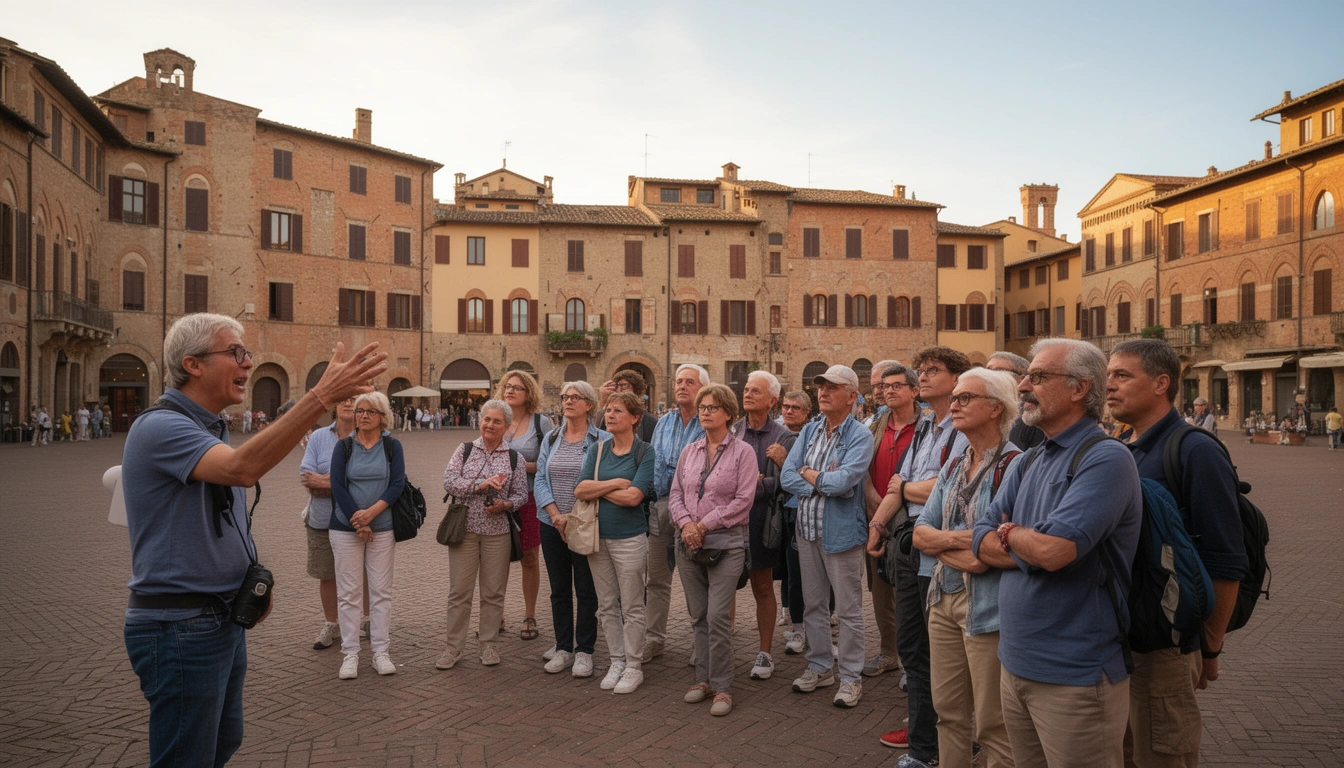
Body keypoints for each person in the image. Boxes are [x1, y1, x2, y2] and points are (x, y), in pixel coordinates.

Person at [122, 313, 385, 766]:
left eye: (247, 353)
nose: (247, 363)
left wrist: (248, 582)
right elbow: (241, 469)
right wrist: (320, 396)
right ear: (193, 364)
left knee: (222, 743)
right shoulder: (160, 427)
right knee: (187, 758)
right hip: (180, 627)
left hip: (219, 617)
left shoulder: (210, 427)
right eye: (236, 353)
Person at [971, 338, 1142, 768]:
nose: (1024, 385)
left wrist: (1008, 532)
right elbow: (979, 538)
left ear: (1079, 388)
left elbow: (1056, 551)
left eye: (1038, 376)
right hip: (1015, 664)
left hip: (1076, 676)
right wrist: (1023, 540)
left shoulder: (1106, 459)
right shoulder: (1028, 460)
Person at [1106, 339, 1248, 767]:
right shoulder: (1122, 445)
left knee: (1164, 754)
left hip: (1168, 645)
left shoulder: (1195, 450)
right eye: (1108, 375)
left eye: (1122, 375)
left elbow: (1226, 560)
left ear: (1161, 383)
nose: (1108, 385)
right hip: (1124, 638)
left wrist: (1209, 646)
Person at [876, 368, 1021, 768]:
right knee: (948, 712)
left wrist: (952, 543)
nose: (953, 405)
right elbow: (921, 533)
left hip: (987, 609)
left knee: (993, 722)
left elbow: (996, 550)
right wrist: (970, 540)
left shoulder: (1015, 466)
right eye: (954, 397)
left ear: (996, 408)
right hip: (942, 599)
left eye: (965, 398)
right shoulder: (957, 464)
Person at [874, 346, 972, 762]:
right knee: (913, 646)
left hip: (936, 541)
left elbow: (940, 488)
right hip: (909, 539)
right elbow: (905, 486)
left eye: (933, 371)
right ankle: (925, 742)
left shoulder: (963, 428)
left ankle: (939, 744)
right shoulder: (930, 427)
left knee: (941, 650)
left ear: (957, 380)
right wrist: (878, 526)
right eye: (923, 370)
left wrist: (906, 490)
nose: (925, 376)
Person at [781, 365, 874, 709]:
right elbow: (786, 478)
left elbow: (843, 483)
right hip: (806, 531)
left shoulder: (860, 436)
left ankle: (850, 677)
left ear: (851, 396)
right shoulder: (809, 431)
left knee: (848, 610)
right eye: (821, 386)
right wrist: (817, 478)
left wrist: (807, 474)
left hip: (841, 535)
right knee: (813, 605)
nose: (822, 392)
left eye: (832, 387)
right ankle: (820, 666)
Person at [671, 383, 757, 716]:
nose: (706, 412)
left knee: (718, 615)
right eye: (702, 407)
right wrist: (686, 525)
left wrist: (703, 525)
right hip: (688, 544)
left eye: (713, 407)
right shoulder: (689, 451)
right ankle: (702, 680)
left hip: (726, 545)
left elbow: (743, 501)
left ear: (729, 414)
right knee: (698, 616)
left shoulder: (743, 453)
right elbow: (675, 492)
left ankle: (722, 687)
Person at [437, 399, 530, 670]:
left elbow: (521, 495)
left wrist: (505, 504)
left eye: (496, 421)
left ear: (506, 426)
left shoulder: (514, 458)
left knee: (493, 592)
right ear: (480, 420)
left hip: (497, 532)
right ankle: (453, 648)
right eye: (486, 419)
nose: (490, 425)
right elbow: (449, 481)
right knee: (459, 592)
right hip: (464, 531)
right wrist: (480, 486)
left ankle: (489, 645)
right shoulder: (464, 450)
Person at [576, 391, 656, 694]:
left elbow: (634, 497)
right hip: (597, 537)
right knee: (607, 604)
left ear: (634, 417)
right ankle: (616, 660)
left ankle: (634, 665)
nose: (609, 415)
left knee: (633, 605)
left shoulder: (644, 452)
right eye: (608, 410)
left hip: (630, 538)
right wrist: (615, 483)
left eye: (617, 410)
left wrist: (600, 489)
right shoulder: (597, 450)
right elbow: (580, 489)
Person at [328, 392, 407, 680]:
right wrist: (357, 521)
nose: (363, 415)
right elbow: (338, 486)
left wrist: (371, 514)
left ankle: (380, 652)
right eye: (360, 410)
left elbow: (397, 483)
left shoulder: (392, 446)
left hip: (383, 527)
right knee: (349, 594)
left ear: (382, 416)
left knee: (380, 593)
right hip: (345, 528)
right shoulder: (344, 447)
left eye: (370, 411)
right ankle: (350, 654)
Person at [534, 381, 610, 677]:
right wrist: (554, 514)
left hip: (585, 523)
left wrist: (572, 516)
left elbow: (602, 479)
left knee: (587, 590)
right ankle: (564, 647)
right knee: (559, 590)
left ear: (589, 404)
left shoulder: (602, 439)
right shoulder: (552, 438)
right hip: (552, 524)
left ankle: (585, 650)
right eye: (565, 397)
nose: (568, 402)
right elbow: (540, 477)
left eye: (575, 398)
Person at [645, 364, 709, 663]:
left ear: (702, 388)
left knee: (697, 580)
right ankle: (654, 638)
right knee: (656, 579)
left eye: (689, 382)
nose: (682, 386)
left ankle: (701, 645)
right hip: (661, 507)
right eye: (679, 381)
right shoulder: (663, 422)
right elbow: (654, 462)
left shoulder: (709, 421)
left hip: (695, 513)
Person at [861, 363, 921, 682]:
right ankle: (888, 652)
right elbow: (861, 467)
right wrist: (874, 502)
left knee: (911, 592)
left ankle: (913, 662)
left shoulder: (928, 428)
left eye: (897, 385)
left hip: (911, 521)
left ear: (914, 391)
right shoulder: (874, 425)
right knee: (881, 589)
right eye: (885, 386)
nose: (889, 391)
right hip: (876, 517)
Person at [731, 370, 791, 681]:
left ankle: (765, 653)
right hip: (730, 522)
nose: (748, 393)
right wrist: (747, 483)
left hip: (761, 522)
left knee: (763, 587)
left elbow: (788, 483)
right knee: (724, 586)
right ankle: (723, 648)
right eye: (746, 389)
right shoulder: (732, 431)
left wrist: (759, 485)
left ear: (772, 400)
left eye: (756, 390)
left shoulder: (783, 437)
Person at [300, 395, 366, 651]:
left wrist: (327, 482)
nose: (348, 403)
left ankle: (368, 621)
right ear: (334, 407)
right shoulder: (318, 438)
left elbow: (368, 481)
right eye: (343, 399)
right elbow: (307, 479)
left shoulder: (369, 436)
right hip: (322, 519)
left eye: (354, 399)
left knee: (364, 572)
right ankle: (332, 624)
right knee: (327, 574)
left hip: (360, 519)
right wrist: (344, 484)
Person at [497, 371, 555, 642]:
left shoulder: (541, 423)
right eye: (507, 386)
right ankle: (495, 614)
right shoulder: (495, 418)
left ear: (528, 393)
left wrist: (517, 466)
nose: (510, 391)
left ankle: (529, 615)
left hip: (530, 498)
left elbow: (549, 463)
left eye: (517, 388)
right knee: (496, 559)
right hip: (497, 500)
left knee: (529, 558)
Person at [773, 390, 809, 655]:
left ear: (806, 413)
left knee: (805, 572)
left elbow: (809, 475)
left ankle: (804, 627)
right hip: (785, 508)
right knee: (788, 567)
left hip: (805, 508)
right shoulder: (776, 433)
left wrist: (786, 462)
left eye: (795, 408)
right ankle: (792, 616)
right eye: (786, 406)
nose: (789, 411)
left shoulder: (812, 435)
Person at [988, 350, 1046, 449]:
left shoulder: (1032, 415)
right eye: (987, 370)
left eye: (999, 370)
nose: (989, 376)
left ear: (1021, 379)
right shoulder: (985, 412)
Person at [598, 369, 659, 441]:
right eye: (617, 386)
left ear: (636, 389)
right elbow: (597, 430)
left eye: (625, 385)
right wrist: (603, 400)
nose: (620, 389)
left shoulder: (650, 421)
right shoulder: (609, 415)